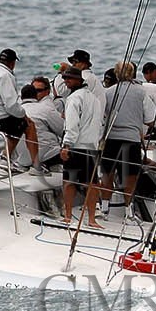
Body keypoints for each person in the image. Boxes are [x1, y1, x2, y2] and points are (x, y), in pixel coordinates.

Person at [92, 61, 155, 220]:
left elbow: (101, 116)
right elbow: (151, 119)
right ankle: (129, 212)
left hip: (111, 139)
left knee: (107, 175)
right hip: (132, 140)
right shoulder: (141, 92)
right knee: (130, 177)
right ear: (133, 73)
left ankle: (104, 209)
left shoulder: (108, 92)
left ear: (116, 74)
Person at [0, 48, 42, 175]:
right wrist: (24, 115)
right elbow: (11, 105)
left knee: (15, 125)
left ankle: (3, 160)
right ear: (12, 63)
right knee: (28, 125)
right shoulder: (5, 75)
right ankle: (35, 166)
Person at [58, 67, 104, 230]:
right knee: (92, 184)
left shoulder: (73, 98)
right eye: (65, 78)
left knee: (69, 182)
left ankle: (68, 216)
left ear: (79, 80)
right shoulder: (95, 99)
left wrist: (66, 145)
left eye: (69, 78)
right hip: (91, 146)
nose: (66, 81)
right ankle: (91, 219)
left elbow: (72, 125)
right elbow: (99, 124)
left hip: (76, 146)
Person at [19, 84, 64, 171]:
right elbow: (63, 129)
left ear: (21, 97)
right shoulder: (45, 109)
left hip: (23, 160)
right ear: (36, 96)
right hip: (48, 157)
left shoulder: (14, 113)